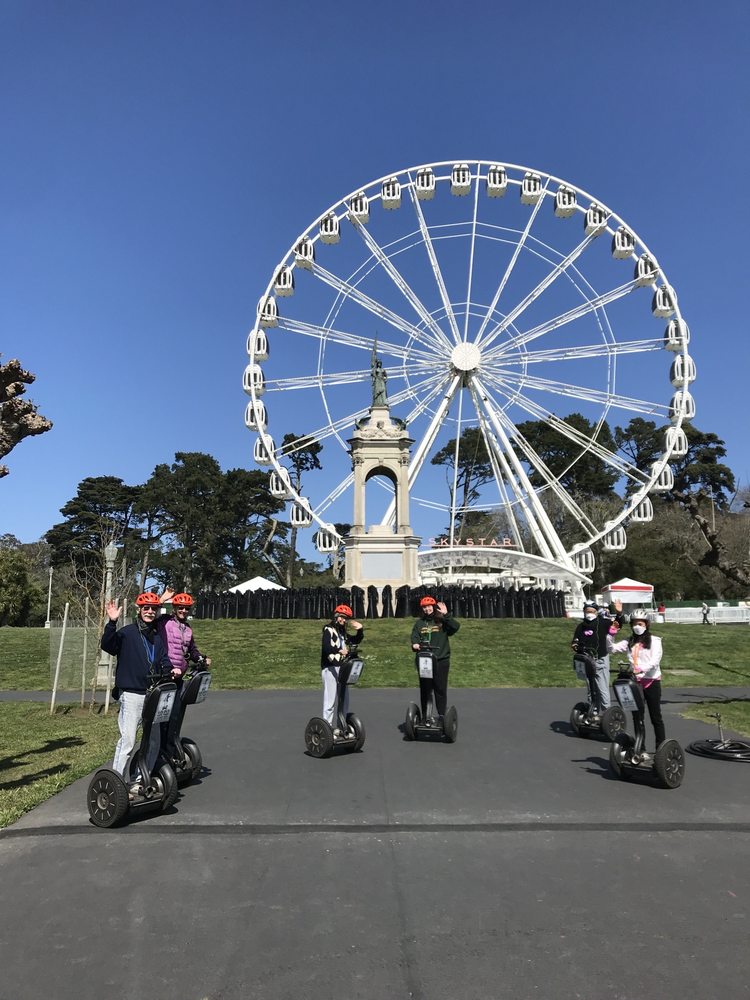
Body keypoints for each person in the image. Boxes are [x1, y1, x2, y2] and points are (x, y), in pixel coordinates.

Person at [101, 592, 177, 792]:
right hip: (132, 694)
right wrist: (111, 622)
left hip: (153, 694)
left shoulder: (156, 638)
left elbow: (163, 660)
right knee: (128, 741)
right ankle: (116, 784)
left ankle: (137, 781)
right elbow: (108, 645)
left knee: (154, 741)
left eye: (153, 608)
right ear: (139, 610)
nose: (150, 612)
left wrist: (171, 670)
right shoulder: (127, 633)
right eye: (146, 608)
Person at [156, 591, 212, 759]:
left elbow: (192, 650)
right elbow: (150, 615)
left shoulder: (187, 628)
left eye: (186, 608)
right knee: (164, 716)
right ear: (174, 608)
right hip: (165, 676)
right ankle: (161, 750)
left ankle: (171, 747)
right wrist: (162, 600)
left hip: (179, 678)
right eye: (180, 608)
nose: (183, 611)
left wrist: (202, 658)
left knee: (176, 716)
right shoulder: (164, 622)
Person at [608, 606, 665, 754]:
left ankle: (661, 749)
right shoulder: (629, 642)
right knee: (637, 717)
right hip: (634, 684)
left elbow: (655, 660)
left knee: (655, 717)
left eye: (640, 623)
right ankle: (641, 749)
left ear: (647, 624)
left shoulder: (655, 641)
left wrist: (641, 669)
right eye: (634, 623)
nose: (637, 626)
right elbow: (611, 649)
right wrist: (611, 633)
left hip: (651, 681)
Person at [570, 600, 624, 718]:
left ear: (596, 612)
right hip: (587, 661)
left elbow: (616, 627)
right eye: (587, 611)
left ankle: (607, 714)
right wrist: (577, 646)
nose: (589, 613)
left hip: (600, 659)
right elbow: (575, 642)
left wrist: (619, 614)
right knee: (591, 689)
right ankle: (593, 712)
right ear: (584, 612)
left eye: (592, 611)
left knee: (602, 688)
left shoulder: (603, 623)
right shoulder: (581, 626)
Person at [410, 596, 460, 722]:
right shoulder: (419, 623)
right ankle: (426, 717)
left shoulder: (441, 621)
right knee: (426, 689)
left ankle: (442, 716)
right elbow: (414, 636)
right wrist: (415, 644)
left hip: (441, 660)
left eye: (429, 606)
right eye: (424, 607)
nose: (427, 609)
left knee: (440, 688)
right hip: (424, 661)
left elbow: (456, 627)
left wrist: (446, 615)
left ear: (434, 607)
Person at [320, 604, 364, 731]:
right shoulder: (328, 629)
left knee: (344, 699)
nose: (343, 620)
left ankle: (342, 727)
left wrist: (360, 630)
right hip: (330, 667)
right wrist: (340, 650)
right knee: (330, 701)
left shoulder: (342, 633)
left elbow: (355, 640)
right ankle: (327, 729)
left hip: (342, 668)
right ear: (336, 616)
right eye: (342, 617)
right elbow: (326, 648)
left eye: (346, 619)